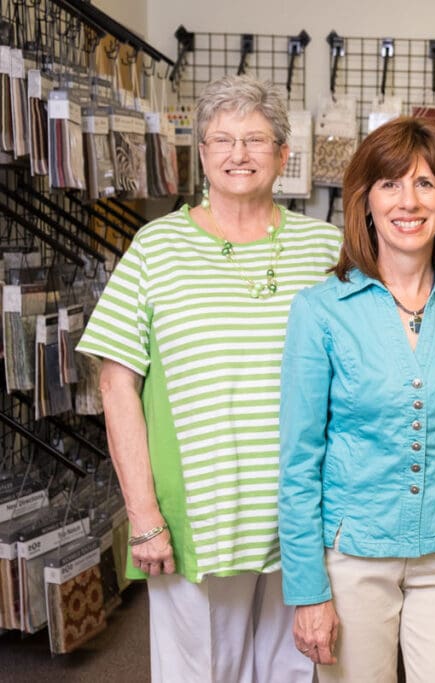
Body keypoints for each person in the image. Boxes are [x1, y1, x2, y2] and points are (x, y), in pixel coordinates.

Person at [76, 75, 342, 682]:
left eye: (254, 139)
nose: (237, 154)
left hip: (303, 512)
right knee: (202, 674)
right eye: (221, 140)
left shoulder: (326, 248)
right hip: (198, 510)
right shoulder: (155, 247)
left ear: (283, 153)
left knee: (299, 670)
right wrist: (142, 514)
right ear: (201, 153)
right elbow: (117, 386)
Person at [277, 116, 435, 683]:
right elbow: (298, 460)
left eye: (424, 184)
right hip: (354, 556)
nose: (407, 202)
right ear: (364, 202)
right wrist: (308, 590)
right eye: (389, 184)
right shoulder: (320, 310)